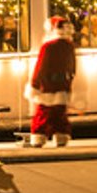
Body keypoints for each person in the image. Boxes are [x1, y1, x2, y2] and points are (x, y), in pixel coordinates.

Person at [27, 16, 78, 147]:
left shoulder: (48, 47)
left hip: (47, 85)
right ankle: (61, 136)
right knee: (59, 113)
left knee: (43, 113)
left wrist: (34, 84)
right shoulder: (69, 46)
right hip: (63, 84)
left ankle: (39, 136)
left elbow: (41, 67)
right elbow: (73, 67)